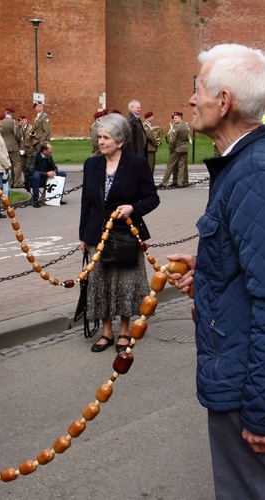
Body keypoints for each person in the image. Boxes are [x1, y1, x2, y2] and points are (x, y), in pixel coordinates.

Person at [169, 44, 265, 499]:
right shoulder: (252, 161)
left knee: (252, 491)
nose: (192, 99)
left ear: (224, 101)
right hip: (240, 361)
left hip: (245, 375)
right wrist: (210, 266)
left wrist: (260, 409)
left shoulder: (255, 171)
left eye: (198, 89)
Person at [79, 113, 159, 353]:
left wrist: (133, 208)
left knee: (125, 282)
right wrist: (83, 235)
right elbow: (86, 203)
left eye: (106, 138)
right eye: (99, 136)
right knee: (100, 282)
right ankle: (106, 332)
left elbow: (152, 198)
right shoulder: (91, 164)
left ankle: (124, 329)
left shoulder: (136, 164)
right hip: (97, 234)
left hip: (126, 235)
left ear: (120, 141)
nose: (101, 141)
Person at [30, 141, 67, 207]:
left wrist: (54, 173)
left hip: (48, 178)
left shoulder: (49, 157)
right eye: (50, 149)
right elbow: (31, 170)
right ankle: (35, 200)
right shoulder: (35, 156)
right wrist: (46, 174)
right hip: (39, 178)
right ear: (45, 151)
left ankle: (58, 198)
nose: (52, 151)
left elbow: (55, 167)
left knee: (62, 174)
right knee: (36, 176)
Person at [160, 112, 190, 187]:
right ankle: (180, 182)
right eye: (174, 118)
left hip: (177, 148)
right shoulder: (186, 126)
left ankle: (164, 183)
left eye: (176, 118)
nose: (174, 119)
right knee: (181, 166)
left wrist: (170, 148)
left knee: (170, 165)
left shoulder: (176, 127)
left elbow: (173, 140)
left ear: (180, 117)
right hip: (184, 148)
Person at [1, 107, 25, 188]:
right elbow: (17, 135)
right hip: (13, 146)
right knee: (18, 164)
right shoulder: (13, 122)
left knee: (8, 165)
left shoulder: (1, 122)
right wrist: (19, 143)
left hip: (4, 146)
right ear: (12, 113)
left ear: (5, 112)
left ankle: (9, 181)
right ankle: (16, 183)